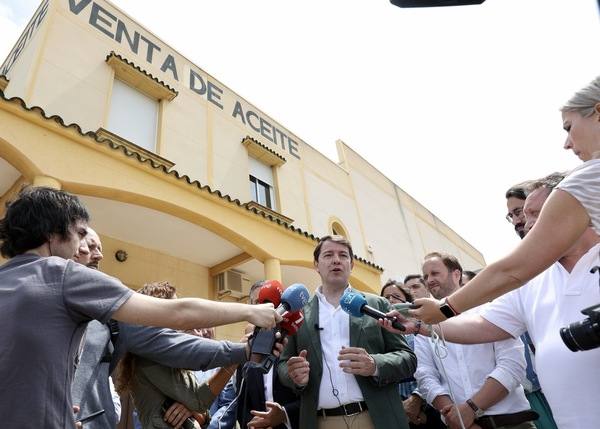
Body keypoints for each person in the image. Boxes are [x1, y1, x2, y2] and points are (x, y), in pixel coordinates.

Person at [0, 187, 280, 428]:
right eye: (79, 233)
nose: (81, 247)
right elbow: (176, 313)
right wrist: (250, 311)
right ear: (52, 234)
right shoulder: (62, 274)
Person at [385, 175, 600, 429]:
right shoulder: (530, 282)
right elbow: (482, 326)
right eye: (520, 217)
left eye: (535, 214)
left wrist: (443, 310)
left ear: (576, 206)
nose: (527, 225)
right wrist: (422, 326)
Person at [412, 75, 600, 323]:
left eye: (568, 127)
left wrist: (445, 308)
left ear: (598, 112)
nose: (567, 143)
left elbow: (514, 269)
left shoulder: (588, 178)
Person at [277, 235, 417, 429]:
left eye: (343, 255)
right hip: (321, 421)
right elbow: (283, 364)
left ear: (352, 265)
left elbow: (408, 359)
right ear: (316, 265)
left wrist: (375, 364)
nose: (336, 260)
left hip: (377, 418)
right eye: (328, 255)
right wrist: (294, 375)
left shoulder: (377, 304)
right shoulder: (299, 312)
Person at [415, 252, 536, 429]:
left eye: (435, 273)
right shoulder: (425, 326)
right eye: (426, 276)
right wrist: (455, 416)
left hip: (511, 422)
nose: (429, 279)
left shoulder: (490, 310)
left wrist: (470, 409)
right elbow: (425, 375)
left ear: (456, 274)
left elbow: (512, 365)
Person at [117, 282, 219, 429]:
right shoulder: (149, 358)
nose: (180, 318)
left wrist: (195, 412)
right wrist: (236, 358)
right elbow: (198, 400)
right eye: (173, 311)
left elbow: (202, 411)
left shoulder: (175, 359)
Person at [237, 280, 300, 429]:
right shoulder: (246, 348)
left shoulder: (294, 340)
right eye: (258, 303)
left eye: (270, 304)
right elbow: (242, 403)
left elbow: (310, 395)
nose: (263, 309)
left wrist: (284, 415)